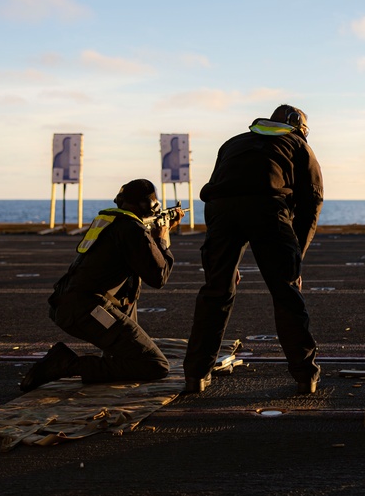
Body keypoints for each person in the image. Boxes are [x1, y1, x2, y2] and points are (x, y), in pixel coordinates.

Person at [184, 104, 324, 395]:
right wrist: (294, 262)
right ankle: (305, 376)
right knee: (286, 293)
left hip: (221, 212)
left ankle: (196, 374)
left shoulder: (233, 142)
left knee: (216, 291)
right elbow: (312, 203)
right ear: (301, 128)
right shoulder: (298, 145)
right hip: (268, 209)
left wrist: (221, 261)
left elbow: (216, 194)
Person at [21, 179, 184, 392]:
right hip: (87, 309)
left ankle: (113, 358)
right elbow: (159, 277)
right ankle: (65, 364)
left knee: (128, 321)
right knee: (155, 365)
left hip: (69, 303)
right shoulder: (133, 229)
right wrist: (162, 239)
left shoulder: (109, 221)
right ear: (148, 206)